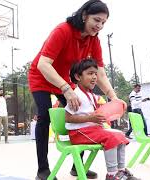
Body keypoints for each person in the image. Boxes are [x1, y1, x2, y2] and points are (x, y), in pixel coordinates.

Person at [28, 1, 122, 179]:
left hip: (63, 79)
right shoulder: (63, 30)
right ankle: (43, 170)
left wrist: (113, 97)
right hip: (42, 75)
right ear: (84, 15)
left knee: (83, 112)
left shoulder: (94, 40)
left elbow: (100, 73)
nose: (99, 26)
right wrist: (65, 88)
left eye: (103, 22)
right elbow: (43, 64)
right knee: (44, 116)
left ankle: (78, 165)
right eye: (96, 20)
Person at [65, 59, 139, 180]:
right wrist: (90, 118)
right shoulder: (76, 95)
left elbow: (98, 111)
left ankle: (120, 171)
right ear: (78, 76)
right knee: (110, 137)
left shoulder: (90, 94)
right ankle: (112, 175)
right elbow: (68, 118)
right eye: (90, 73)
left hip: (90, 130)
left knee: (120, 135)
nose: (94, 77)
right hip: (79, 133)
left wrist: (115, 107)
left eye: (95, 73)